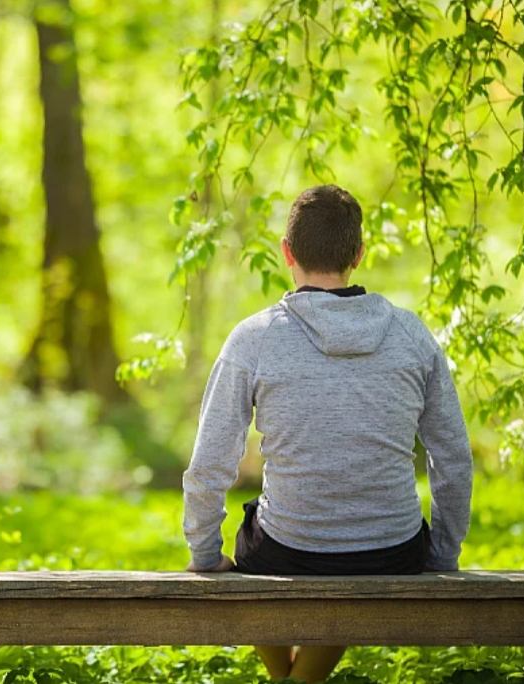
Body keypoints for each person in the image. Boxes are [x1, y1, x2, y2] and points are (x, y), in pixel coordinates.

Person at [182, 184, 473, 682]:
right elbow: (453, 458)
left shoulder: (255, 338)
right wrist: (442, 555)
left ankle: (288, 679)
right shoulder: (411, 334)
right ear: (358, 254)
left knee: (252, 542)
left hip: (287, 548)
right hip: (394, 551)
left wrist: (205, 555)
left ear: (286, 252)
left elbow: (211, 461)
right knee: (345, 561)